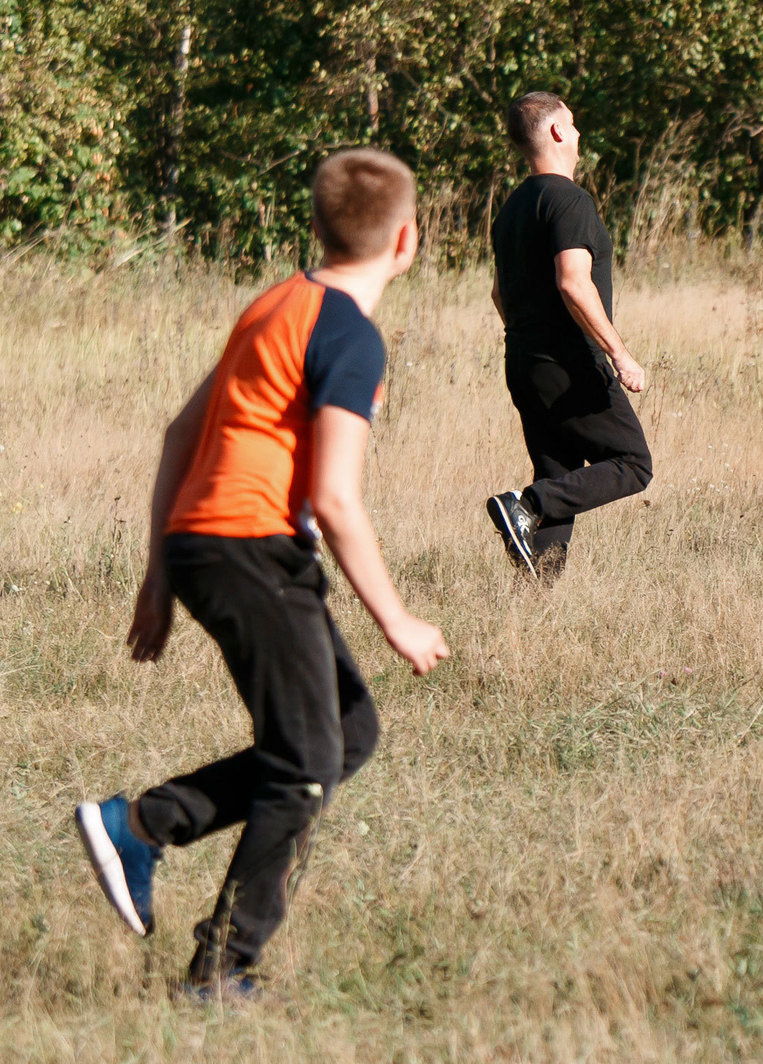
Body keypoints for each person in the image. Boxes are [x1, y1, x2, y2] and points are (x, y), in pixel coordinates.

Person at [73, 150, 451, 1000]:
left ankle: (145, 825)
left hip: (209, 544)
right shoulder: (349, 335)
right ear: (407, 239)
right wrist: (399, 620)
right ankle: (220, 966)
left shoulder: (275, 304)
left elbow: (180, 433)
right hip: (252, 547)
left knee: (345, 733)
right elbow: (335, 498)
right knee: (306, 762)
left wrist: (159, 575)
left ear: (319, 228)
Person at [483, 92, 653, 579]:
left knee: (558, 474)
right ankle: (525, 504)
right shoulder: (569, 199)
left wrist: (531, 343)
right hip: (570, 362)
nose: (578, 134)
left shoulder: (513, 207)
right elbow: (572, 281)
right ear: (557, 132)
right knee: (632, 462)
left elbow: (499, 293)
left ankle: (533, 599)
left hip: (525, 361)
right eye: (573, 124)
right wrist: (619, 354)